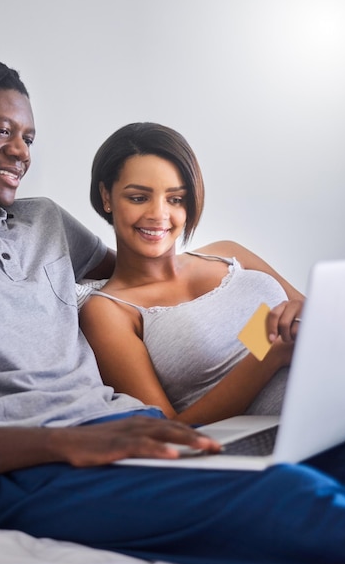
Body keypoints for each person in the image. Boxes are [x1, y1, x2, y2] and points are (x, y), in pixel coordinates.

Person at [0, 56, 345, 564]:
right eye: (1, 131)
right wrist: (65, 445)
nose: (20, 152)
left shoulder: (44, 219)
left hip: (128, 432)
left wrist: (242, 298)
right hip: (28, 467)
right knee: (290, 499)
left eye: (29, 137)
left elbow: (140, 270)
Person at [79, 122, 304, 425]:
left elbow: (316, 312)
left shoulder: (227, 251)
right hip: (287, 443)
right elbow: (169, 428)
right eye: (138, 197)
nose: (159, 215)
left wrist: (304, 318)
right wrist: (271, 355)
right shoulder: (107, 311)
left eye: (175, 199)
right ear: (106, 196)